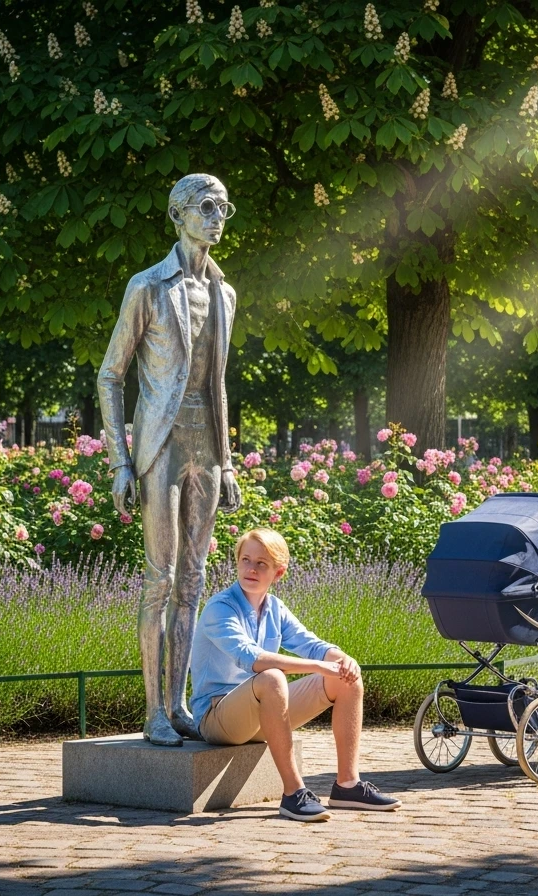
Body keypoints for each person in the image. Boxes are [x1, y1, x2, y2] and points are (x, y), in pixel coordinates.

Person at [97, 174, 242, 747]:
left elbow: (220, 384)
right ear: (178, 215)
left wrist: (227, 463)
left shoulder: (226, 294)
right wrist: (119, 462)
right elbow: (110, 374)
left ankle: (180, 704)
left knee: (194, 579)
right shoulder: (148, 287)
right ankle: (154, 711)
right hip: (160, 446)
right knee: (159, 580)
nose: (216, 217)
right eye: (206, 207)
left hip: (206, 446)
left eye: (223, 208)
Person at [189, 528, 402, 821]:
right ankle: (293, 794)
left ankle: (347, 785)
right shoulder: (220, 608)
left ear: (278, 573)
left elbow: (311, 644)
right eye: (246, 560)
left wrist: (343, 660)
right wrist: (318, 667)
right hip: (217, 718)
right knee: (273, 677)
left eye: (261, 563)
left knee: (345, 676)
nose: (251, 569)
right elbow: (253, 658)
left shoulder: (275, 608)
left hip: (261, 713)